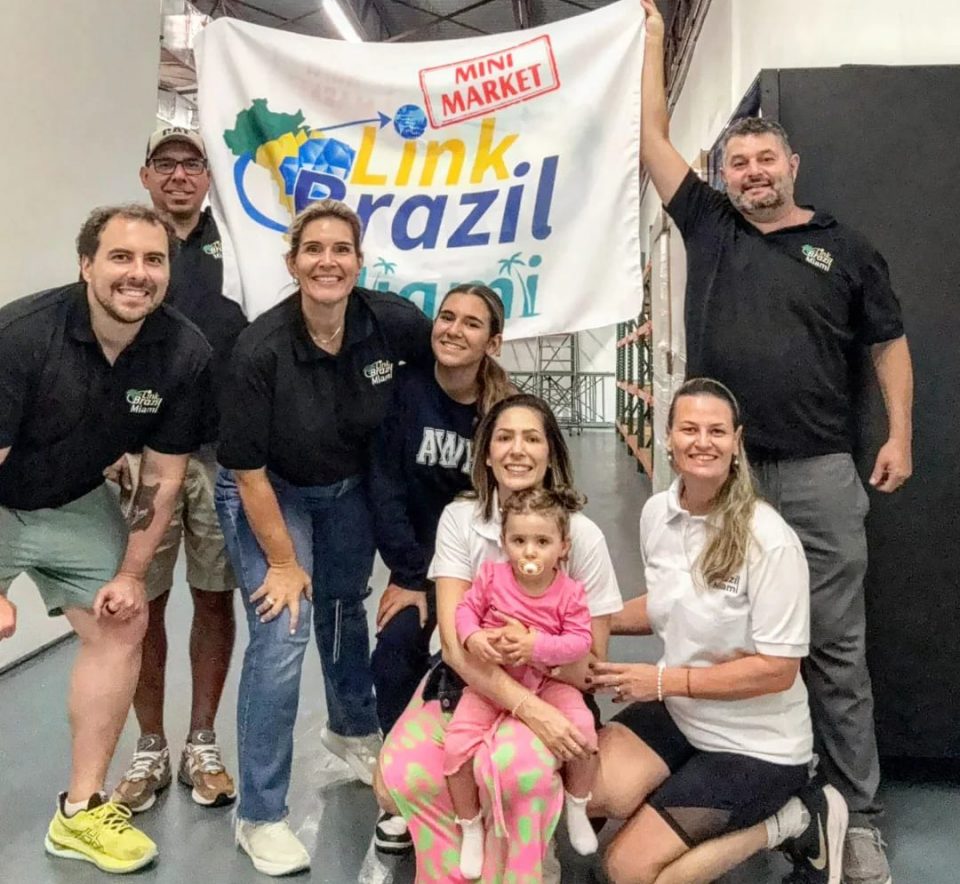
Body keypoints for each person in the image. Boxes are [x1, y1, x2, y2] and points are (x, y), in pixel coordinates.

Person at [638, 3, 913, 880]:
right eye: (736, 162)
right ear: (723, 174)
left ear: (793, 165)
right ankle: (758, 789)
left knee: (834, 649)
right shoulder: (710, 226)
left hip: (823, 474)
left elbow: (889, 343)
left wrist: (899, 432)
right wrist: (651, 41)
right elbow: (650, 137)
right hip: (726, 482)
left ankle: (854, 814)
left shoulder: (846, 249)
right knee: (718, 636)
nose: (752, 172)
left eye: (765, 159)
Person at [214, 198, 433, 877]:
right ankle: (260, 814)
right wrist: (282, 562)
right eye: (314, 250)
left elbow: (451, 376)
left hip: (348, 489)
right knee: (283, 633)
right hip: (268, 491)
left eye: (342, 249)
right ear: (293, 262)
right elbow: (245, 469)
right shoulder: (259, 349)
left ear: (359, 262)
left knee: (344, 604)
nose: (328, 261)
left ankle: (352, 726)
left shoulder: (391, 322)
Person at [0, 204, 212, 873]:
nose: (138, 274)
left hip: (75, 502)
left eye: (153, 261)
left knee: (124, 622)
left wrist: (129, 574)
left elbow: (164, 474)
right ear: (86, 265)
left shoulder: (182, 352)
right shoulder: (21, 336)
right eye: (120, 257)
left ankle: (81, 811)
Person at [591, 377, 847, 884]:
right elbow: (672, 604)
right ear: (669, 437)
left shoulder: (768, 539)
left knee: (626, 870)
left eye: (716, 431)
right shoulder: (657, 515)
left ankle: (795, 819)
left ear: (736, 442)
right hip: (686, 715)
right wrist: (591, 614)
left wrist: (661, 682)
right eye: (689, 428)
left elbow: (777, 670)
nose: (702, 442)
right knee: (596, 792)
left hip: (758, 745)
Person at [376, 393, 623, 883]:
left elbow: (589, 666)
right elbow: (454, 644)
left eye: (532, 438)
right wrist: (526, 704)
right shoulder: (460, 521)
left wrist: (532, 649)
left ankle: (523, 865)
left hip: (555, 687)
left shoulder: (583, 536)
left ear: (551, 451)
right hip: (472, 685)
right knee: (399, 776)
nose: (517, 450)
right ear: (485, 452)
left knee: (515, 773)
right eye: (504, 437)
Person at [111, 126, 247, 814]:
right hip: (144, 461)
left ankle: (201, 743)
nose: (178, 175)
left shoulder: (242, 244)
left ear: (208, 176)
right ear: (145, 175)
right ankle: (150, 747)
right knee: (145, 603)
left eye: (191, 164)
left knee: (215, 598)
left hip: (221, 459)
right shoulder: (130, 250)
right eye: (164, 164)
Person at [367, 283, 512, 855]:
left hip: (488, 571)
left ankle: (483, 776)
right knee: (396, 650)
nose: (453, 329)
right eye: (446, 317)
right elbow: (385, 485)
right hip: (421, 568)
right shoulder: (405, 392)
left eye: (471, 323)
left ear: (492, 341)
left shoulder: (502, 411)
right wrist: (407, 574)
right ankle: (404, 789)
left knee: (479, 666)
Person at [446, 487, 600, 879]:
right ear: (504, 543)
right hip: (492, 683)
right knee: (457, 744)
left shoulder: (569, 593)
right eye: (519, 541)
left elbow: (581, 641)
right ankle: (469, 826)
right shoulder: (491, 578)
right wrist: (473, 637)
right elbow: (464, 612)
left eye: (542, 542)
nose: (529, 552)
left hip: (549, 683)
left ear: (563, 547)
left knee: (581, 730)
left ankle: (578, 804)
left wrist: (536, 646)